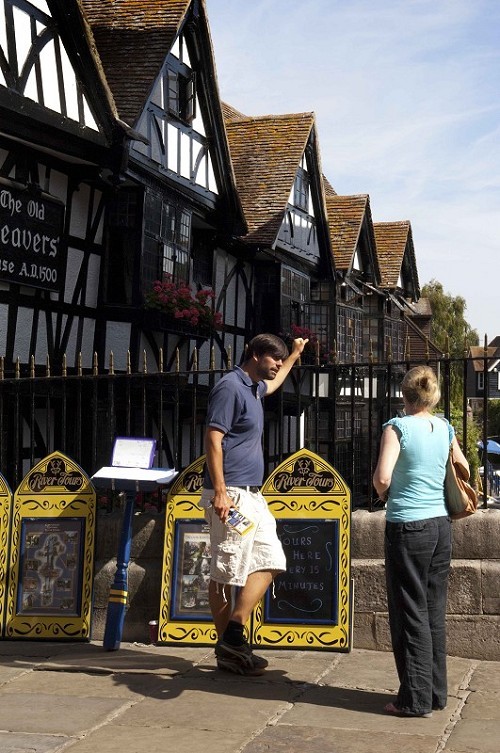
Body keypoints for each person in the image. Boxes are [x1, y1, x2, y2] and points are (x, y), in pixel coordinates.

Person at [200, 333, 307, 675]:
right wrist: (219, 491)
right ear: (257, 355)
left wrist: (294, 354)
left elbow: (273, 387)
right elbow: (213, 439)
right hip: (230, 493)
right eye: (274, 359)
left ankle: (232, 635)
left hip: (252, 495)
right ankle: (230, 650)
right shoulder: (230, 387)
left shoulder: (254, 387)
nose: (278, 365)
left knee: (271, 558)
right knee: (225, 572)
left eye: (280, 361)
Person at [373, 365, 468, 718]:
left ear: (404, 394)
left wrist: (390, 493)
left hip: (408, 528)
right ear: (433, 395)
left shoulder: (397, 428)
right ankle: (435, 694)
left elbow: (382, 478)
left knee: (410, 612)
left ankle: (413, 700)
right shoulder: (444, 427)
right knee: (432, 611)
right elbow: (464, 468)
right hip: (441, 526)